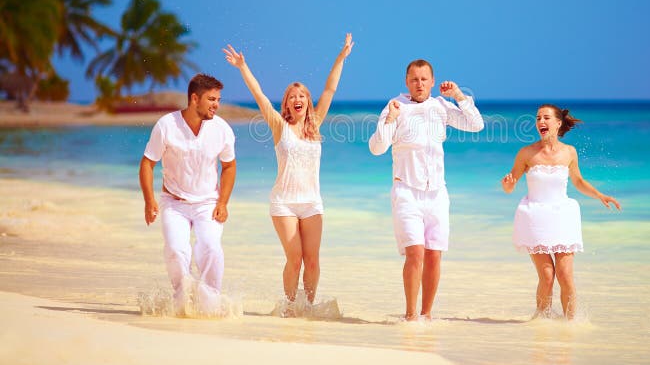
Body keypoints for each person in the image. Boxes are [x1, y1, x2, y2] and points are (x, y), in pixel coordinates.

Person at [223, 33, 353, 312]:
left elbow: (329, 90)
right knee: (295, 259)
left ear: (307, 101)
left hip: (312, 203)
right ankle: (290, 306)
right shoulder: (279, 125)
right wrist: (243, 67)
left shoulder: (315, 124)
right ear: (286, 103)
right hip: (283, 202)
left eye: (302, 95)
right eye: (292, 96)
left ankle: (308, 306)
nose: (298, 99)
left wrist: (340, 58)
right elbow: (259, 96)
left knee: (313, 260)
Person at [369, 59, 484, 320]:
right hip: (406, 191)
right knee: (415, 253)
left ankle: (426, 315)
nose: (419, 84)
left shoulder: (442, 106)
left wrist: (457, 95)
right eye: (414, 79)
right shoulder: (395, 106)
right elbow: (376, 148)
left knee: (434, 255)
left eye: (424, 79)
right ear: (406, 82)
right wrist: (390, 120)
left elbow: (476, 125)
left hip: (437, 194)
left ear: (432, 82)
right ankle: (410, 316)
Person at [501, 104, 620, 319]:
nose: (541, 122)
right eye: (538, 118)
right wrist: (507, 184)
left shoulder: (569, 152)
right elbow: (510, 186)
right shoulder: (526, 153)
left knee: (565, 276)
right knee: (547, 276)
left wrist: (600, 195)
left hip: (562, 217)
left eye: (546, 118)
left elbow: (578, 181)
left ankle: (570, 326)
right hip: (534, 217)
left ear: (558, 123)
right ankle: (541, 321)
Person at [139, 74, 237, 316]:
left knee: (211, 247)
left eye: (218, 99)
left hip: (208, 202)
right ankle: (182, 300)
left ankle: (210, 303)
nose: (217, 104)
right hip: (174, 202)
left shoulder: (222, 129)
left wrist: (223, 202)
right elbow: (147, 163)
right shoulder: (167, 125)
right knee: (176, 249)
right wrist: (149, 200)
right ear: (195, 98)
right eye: (211, 99)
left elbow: (229, 166)